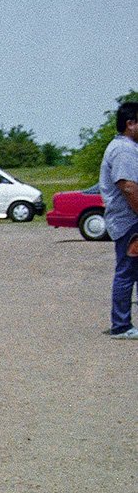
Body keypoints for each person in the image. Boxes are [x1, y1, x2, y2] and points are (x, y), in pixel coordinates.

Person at [99, 100, 138, 339]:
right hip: (129, 221)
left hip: (128, 219)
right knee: (127, 270)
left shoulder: (127, 147)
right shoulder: (124, 150)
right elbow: (129, 187)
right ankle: (121, 325)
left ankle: (123, 323)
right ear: (130, 123)